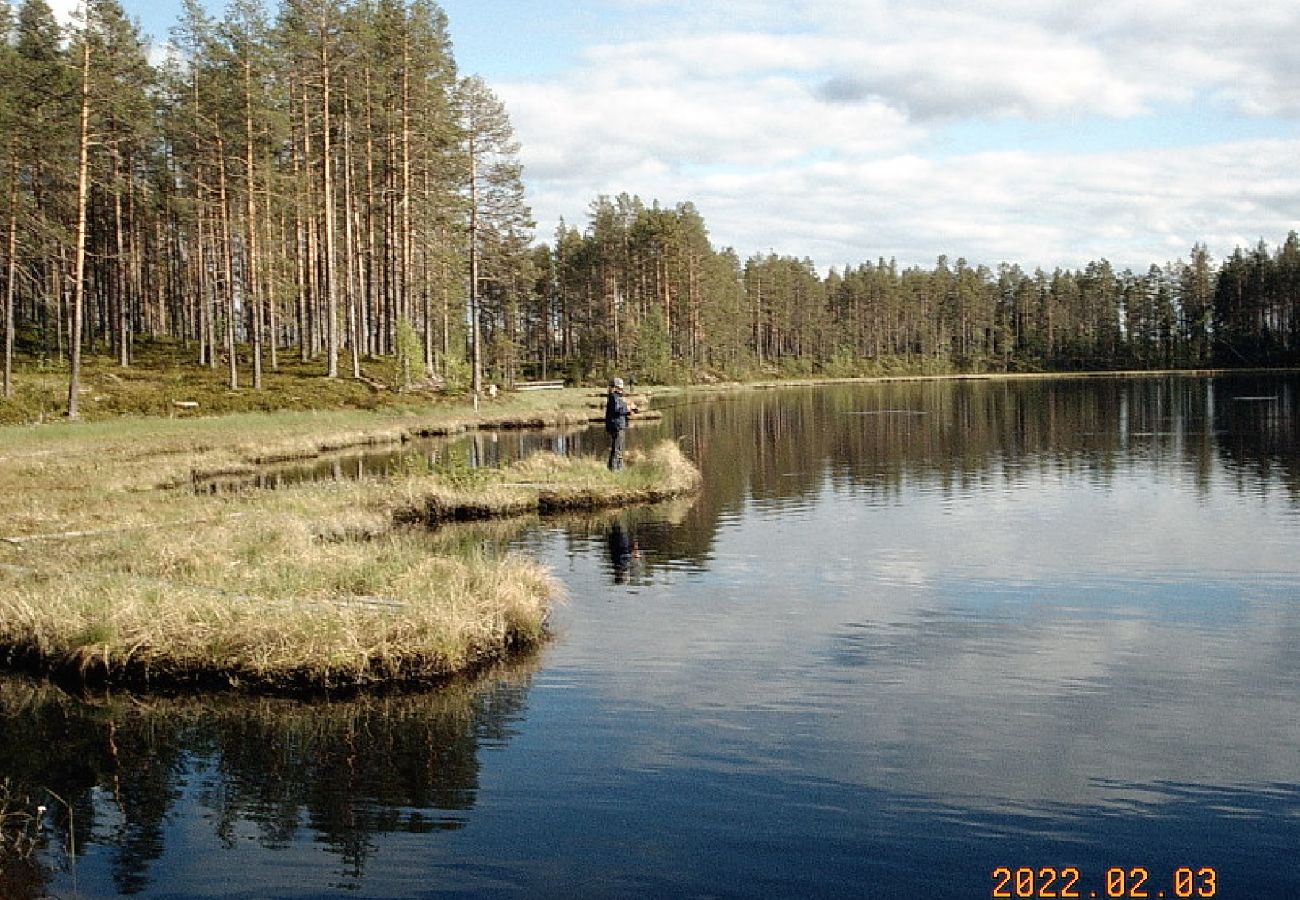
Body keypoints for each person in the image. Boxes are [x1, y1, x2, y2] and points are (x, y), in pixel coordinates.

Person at [604, 377, 637, 470]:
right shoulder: (614, 397)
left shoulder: (617, 397)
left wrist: (630, 410)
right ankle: (615, 469)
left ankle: (618, 468)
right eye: (620, 388)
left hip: (618, 425)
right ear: (616, 387)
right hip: (617, 426)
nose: (622, 389)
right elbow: (617, 410)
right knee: (617, 449)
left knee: (619, 448)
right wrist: (628, 409)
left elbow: (620, 410)